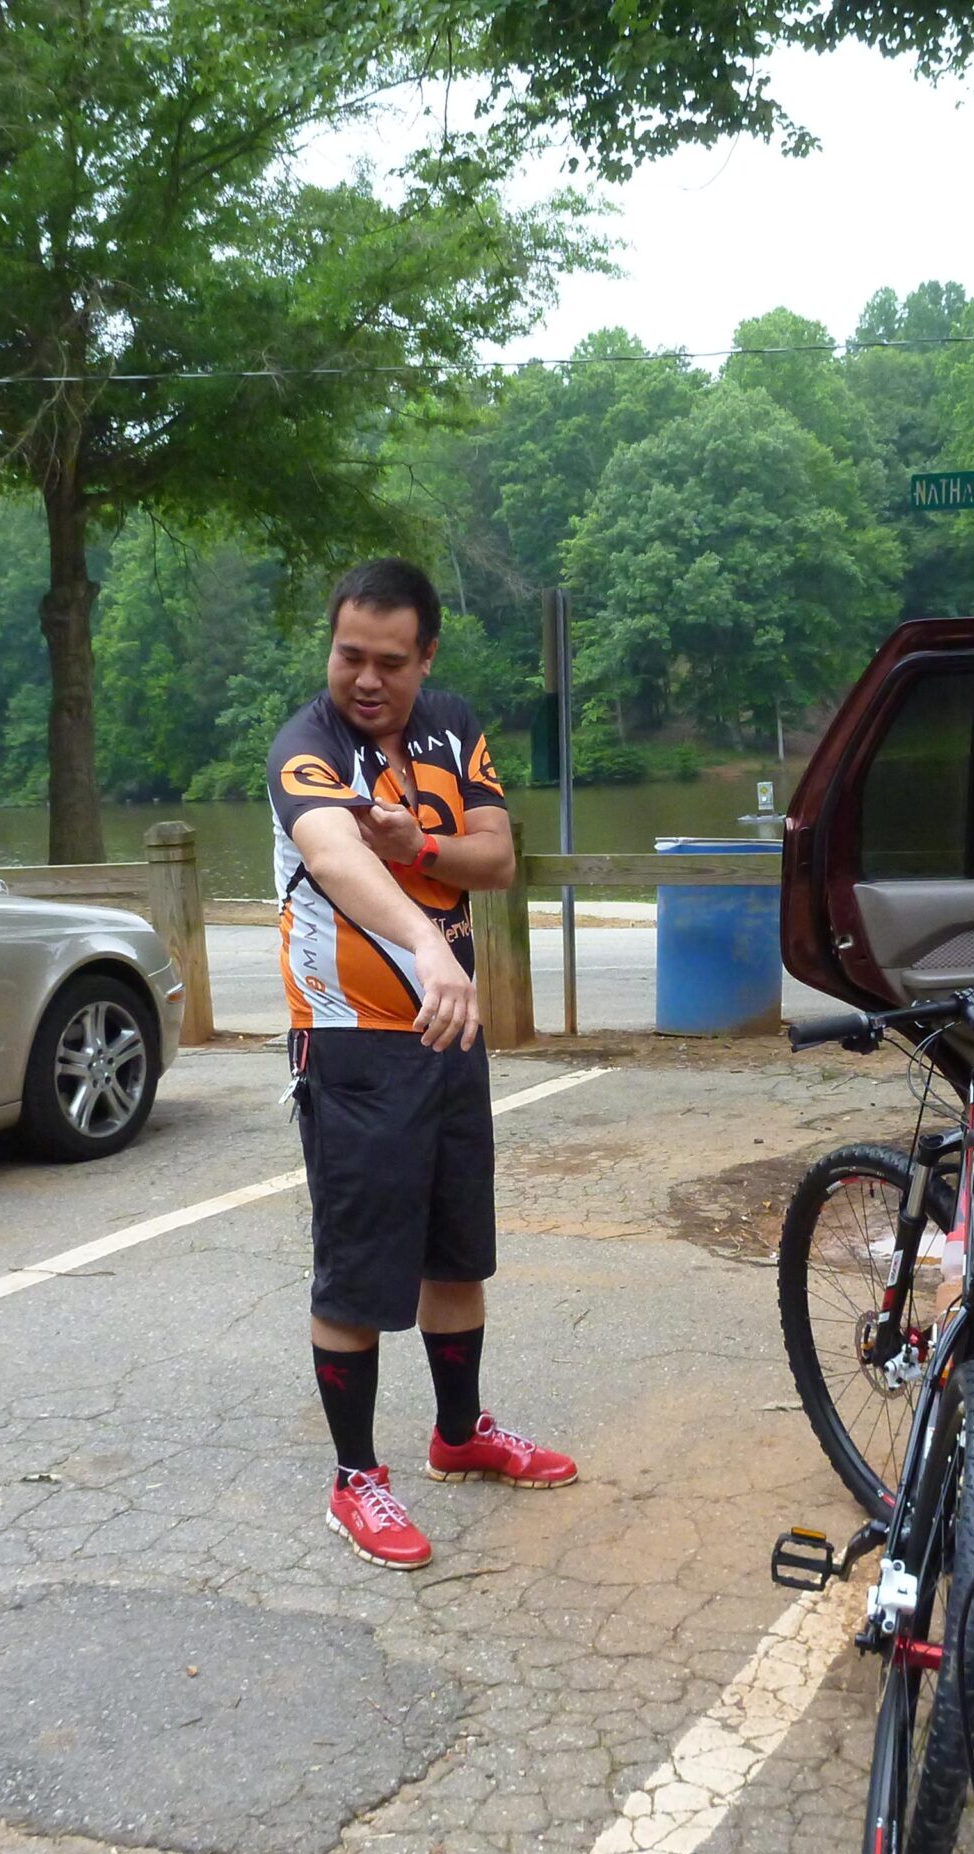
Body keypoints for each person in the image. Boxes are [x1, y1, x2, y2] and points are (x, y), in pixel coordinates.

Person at [266, 557, 576, 1571]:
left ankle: (459, 1432)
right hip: (354, 1038)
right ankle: (356, 1479)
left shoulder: (449, 725)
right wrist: (427, 943)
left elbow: (497, 855)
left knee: (456, 1250)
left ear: (425, 656)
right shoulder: (307, 747)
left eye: (388, 661)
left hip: (449, 1037)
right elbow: (336, 858)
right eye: (347, 653)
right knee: (358, 1270)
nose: (364, 678)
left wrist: (424, 844)